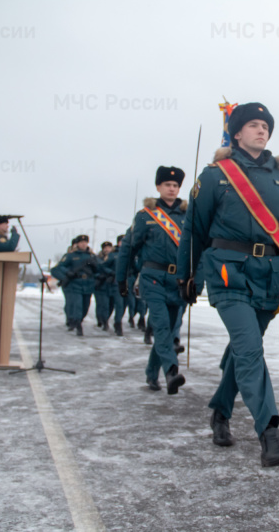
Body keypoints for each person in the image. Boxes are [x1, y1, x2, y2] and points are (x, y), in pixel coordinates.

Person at [177, 102, 279, 467]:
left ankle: (220, 410)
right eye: (252, 125)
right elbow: (194, 230)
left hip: (271, 279)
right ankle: (270, 434)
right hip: (228, 273)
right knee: (250, 349)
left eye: (265, 126)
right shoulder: (216, 175)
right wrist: (187, 276)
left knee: (241, 352)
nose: (261, 131)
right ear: (236, 132)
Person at [117, 166, 188, 394]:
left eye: (176, 185)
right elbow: (128, 248)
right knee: (161, 325)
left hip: (178, 281)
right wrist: (121, 278)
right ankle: (171, 372)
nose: (172, 189)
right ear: (158, 187)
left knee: (167, 329)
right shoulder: (145, 216)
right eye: (167, 185)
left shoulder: (188, 216)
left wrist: (197, 280)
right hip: (153, 278)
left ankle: (151, 374)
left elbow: (197, 251)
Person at [51, 234, 96, 336]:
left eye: (85, 242)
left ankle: (78, 320)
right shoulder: (70, 256)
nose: (84, 244)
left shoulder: (92, 256)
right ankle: (77, 323)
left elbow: (99, 269)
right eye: (81, 242)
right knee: (77, 305)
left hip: (88, 284)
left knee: (85, 307)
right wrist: (68, 272)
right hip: (75, 284)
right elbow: (59, 267)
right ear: (77, 244)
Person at [93, 241, 114, 331]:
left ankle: (105, 319)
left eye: (109, 247)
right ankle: (103, 321)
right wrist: (98, 276)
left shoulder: (114, 258)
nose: (107, 249)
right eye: (105, 248)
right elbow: (93, 270)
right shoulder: (97, 258)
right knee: (102, 304)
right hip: (100, 284)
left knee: (111, 305)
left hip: (112, 285)